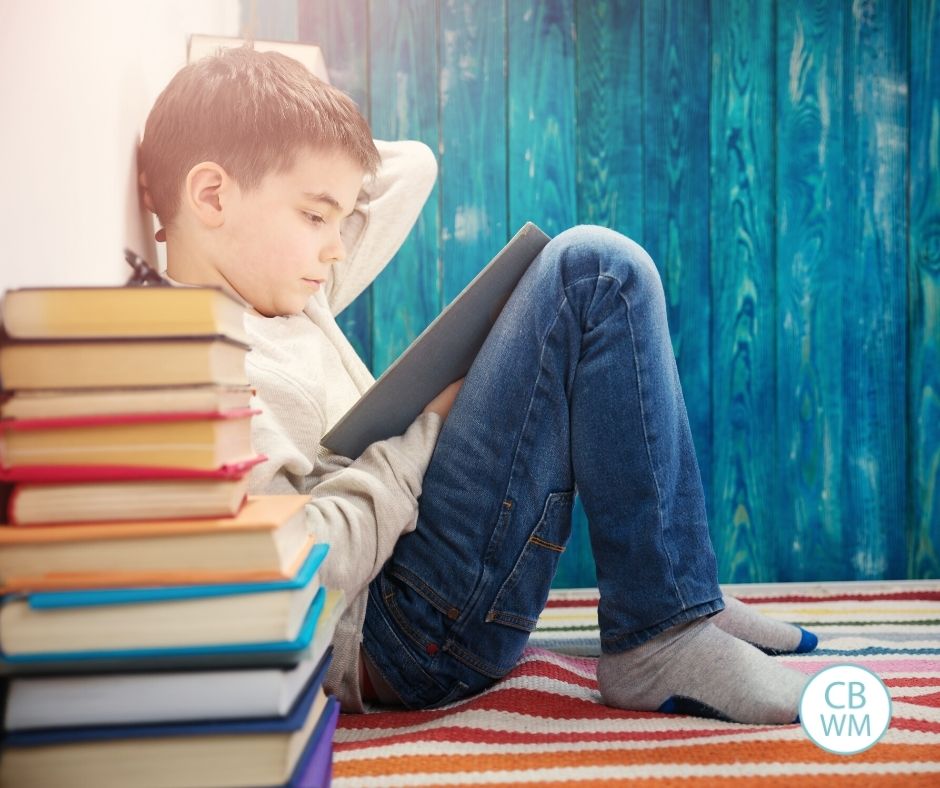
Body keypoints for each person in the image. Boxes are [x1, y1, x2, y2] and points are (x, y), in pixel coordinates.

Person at [138, 46, 817, 725]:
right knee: (593, 273)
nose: (337, 246)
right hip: (397, 637)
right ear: (211, 195)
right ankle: (663, 631)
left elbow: (411, 168)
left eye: (340, 219)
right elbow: (301, 562)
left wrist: (290, 99)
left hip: (418, 584)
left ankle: (671, 590)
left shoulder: (283, 291)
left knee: (593, 271)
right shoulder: (209, 365)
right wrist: (423, 435)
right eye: (317, 217)